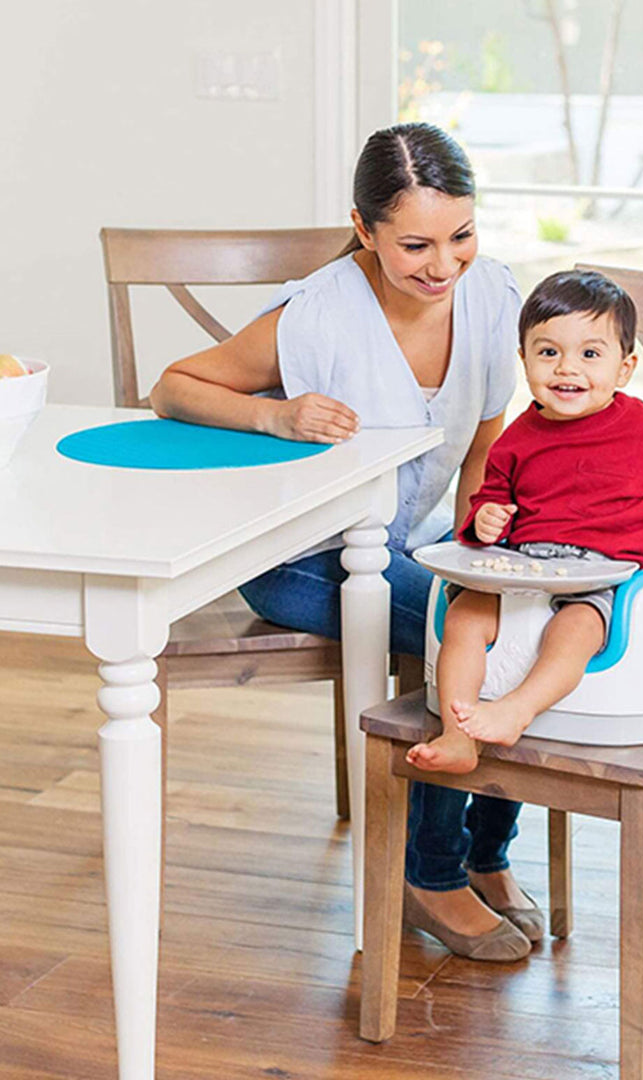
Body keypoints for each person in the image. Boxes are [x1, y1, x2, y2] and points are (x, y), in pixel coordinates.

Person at [149, 122, 538, 962]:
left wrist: (488, 549)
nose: (444, 265)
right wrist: (276, 414)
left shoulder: (493, 294)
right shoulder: (317, 314)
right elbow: (172, 385)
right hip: (300, 562)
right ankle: (429, 876)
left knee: (524, 614)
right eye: (415, 245)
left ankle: (481, 853)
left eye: (461, 235)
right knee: (463, 632)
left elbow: (483, 439)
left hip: (410, 543)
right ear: (364, 230)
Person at [405, 270, 643, 774]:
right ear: (524, 359)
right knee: (464, 617)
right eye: (548, 352)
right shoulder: (516, 437)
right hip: (522, 567)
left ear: (625, 367)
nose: (567, 368)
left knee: (573, 631)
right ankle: (457, 735)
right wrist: (485, 520)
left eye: (590, 354)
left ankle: (516, 710)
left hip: (601, 574)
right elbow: (493, 498)